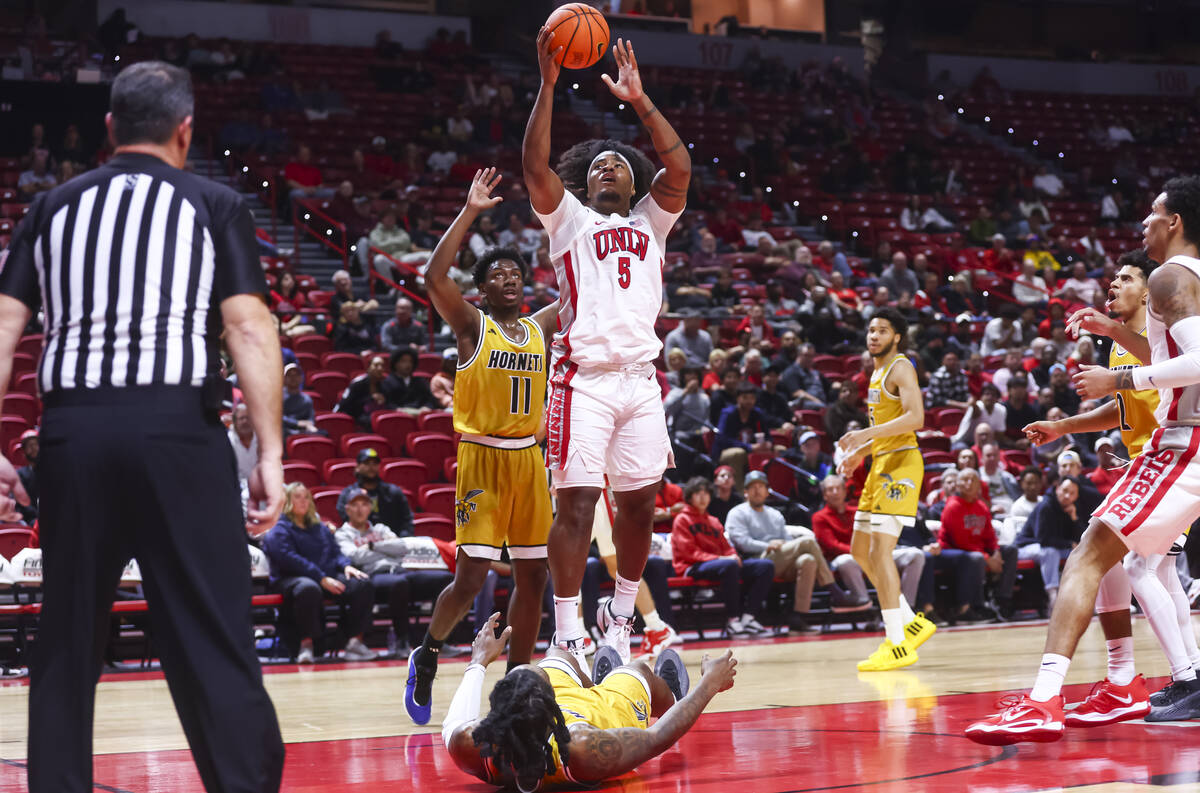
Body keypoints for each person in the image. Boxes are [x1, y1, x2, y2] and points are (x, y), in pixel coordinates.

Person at [0, 61, 285, 792]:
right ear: (185, 129)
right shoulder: (214, 203)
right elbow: (248, 325)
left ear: (109, 128)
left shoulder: (51, 206)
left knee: (66, 639)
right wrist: (270, 452)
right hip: (176, 435)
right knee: (214, 632)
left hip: (74, 437)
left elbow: (3, 322)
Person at [966, 179, 1200, 742]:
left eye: (1152, 213)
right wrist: (1118, 336)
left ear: (1175, 222)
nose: (1143, 222)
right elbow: (1175, 352)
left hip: (1183, 440)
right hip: (1182, 440)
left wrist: (1117, 377)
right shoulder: (1189, 283)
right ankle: (1157, 680)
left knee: (1090, 558)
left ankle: (1047, 700)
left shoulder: (1171, 276)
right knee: (1123, 562)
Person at [525, 32, 690, 669]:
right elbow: (534, 168)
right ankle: (567, 634)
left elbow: (680, 168)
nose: (608, 168)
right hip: (583, 379)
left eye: (618, 163)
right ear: (583, 184)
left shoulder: (652, 219)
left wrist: (641, 101)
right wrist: (547, 86)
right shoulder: (567, 220)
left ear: (633, 179)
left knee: (642, 503)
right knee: (577, 504)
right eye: (597, 166)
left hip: (640, 380)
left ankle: (620, 621)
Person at [1019, 247, 1200, 728]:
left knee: (1140, 567)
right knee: (1148, 571)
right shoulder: (1127, 343)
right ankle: (1147, 678)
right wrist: (1064, 428)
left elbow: (1168, 374)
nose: (1113, 285)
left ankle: (1178, 680)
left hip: (1175, 460)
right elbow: (1120, 410)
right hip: (1155, 462)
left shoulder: (1162, 331)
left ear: (1149, 289)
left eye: (1124, 278)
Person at [405, 170, 558, 725]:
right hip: (482, 459)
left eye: (516, 272)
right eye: (497, 274)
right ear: (483, 289)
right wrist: (470, 210)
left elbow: (585, 291)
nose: (509, 279)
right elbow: (431, 274)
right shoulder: (472, 326)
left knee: (534, 576)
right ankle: (427, 652)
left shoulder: (541, 328)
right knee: (472, 577)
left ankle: (516, 687)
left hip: (527, 460)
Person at [443, 613, 737, 791]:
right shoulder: (584, 750)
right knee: (637, 670)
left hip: (550, 720)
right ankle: (673, 696)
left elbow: (452, 725)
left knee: (557, 657)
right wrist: (708, 685)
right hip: (599, 719)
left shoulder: (473, 743)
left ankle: (596, 684)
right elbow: (657, 738)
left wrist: (478, 661)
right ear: (552, 710)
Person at [836, 308, 936, 671]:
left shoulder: (901, 367)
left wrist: (864, 435)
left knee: (880, 551)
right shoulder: (877, 372)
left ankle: (897, 643)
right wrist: (858, 454)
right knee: (860, 550)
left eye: (882, 330)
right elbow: (886, 426)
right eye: (871, 330)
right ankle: (910, 622)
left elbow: (915, 419)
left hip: (902, 465)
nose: (874, 335)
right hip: (880, 463)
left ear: (897, 337)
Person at [726, 471, 859, 632]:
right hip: (757, 561)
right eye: (752, 487)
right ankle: (835, 591)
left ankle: (798, 616)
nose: (757, 490)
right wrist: (767, 545)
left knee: (808, 560)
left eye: (761, 486)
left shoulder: (775, 514)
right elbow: (742, 543)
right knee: (808, 542)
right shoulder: (737, 513)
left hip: (782, 558)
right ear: (745, 492)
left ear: (768, 491)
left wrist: (785, 545)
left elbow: (788, 540)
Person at [261, 482, 377, 663]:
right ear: (287, 501)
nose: (303, 501)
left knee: (362, 584)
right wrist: (321, 577)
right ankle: (306, 645)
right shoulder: (278, 528)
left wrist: (346, 566)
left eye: (306, 497)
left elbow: (335, 552)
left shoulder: (320, 527)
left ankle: (355, 642)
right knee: (308, 588)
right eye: (297, 497)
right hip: (291, 579)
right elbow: (290, 559)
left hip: (325, 577)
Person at [334, 486, 453, 658]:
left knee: (445, 579)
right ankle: (401, 641)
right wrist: (386, 549)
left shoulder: (380, 529)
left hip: (399, 570)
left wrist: (373, 546)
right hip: (371, 576)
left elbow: (401, 547)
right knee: (399, 584)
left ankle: (437, 641)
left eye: (364, 504)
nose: (360, 509)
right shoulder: (342, 534)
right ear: (347, 509)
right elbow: (356, 557)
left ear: (370, 507)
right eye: (355, 505)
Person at [670, 476, 774, 637]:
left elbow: (726, 547)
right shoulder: (682, 519)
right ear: (690, 497)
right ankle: (733, 621)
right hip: (690, 567)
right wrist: (722, 559)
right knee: (729, 566)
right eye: (698, 493)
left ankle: (748, 618)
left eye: (706, 493)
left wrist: (732, 555)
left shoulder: (713, 521)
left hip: (719, 565)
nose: (703, 496)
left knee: (765, 566)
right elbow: (688, 553)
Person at [335, 447, 414, 533]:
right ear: (357, 467)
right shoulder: (348, 495)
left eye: (374, 463)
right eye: (366, 463)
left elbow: (407, 520)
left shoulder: (393, 492)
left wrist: (402, 539)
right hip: (359, 541)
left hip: (392, 540)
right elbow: (348, 522)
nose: (371, 467)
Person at [383, 347, 439, 413]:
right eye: (403, 361)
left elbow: (430, 400)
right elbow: (387, 403)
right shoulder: (387, 382)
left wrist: (427, 407)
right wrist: (398, 409)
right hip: (398, 417)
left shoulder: (420, 381)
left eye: (410, 361)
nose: (408, 365)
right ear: (395, 363)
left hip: (420, 414)